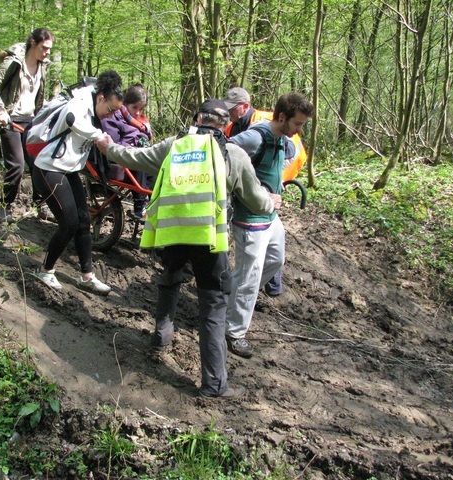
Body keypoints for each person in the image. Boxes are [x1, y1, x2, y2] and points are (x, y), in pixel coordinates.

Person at [96, 99, 281, 398]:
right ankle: (214, 384)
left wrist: (108, 148)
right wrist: (270, 203)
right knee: (213, 305)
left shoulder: (174, 145)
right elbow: (255, 199)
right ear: (224, 125)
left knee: (170, 280)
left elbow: (136, 157)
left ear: (197, 118)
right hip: (209, 239)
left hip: (172, 233)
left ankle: (161, 336)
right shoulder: (232, 153)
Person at [225, 92, 314, 359]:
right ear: (283, 117)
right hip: (249, 217)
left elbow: (285, 157)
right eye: (297, 124)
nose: (299, 130)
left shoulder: (282, 139)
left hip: (270, 217)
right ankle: (233, 332)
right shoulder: (255, 136)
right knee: (249, 278)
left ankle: (229, 294)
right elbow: (225, 153)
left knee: (275, 259)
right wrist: (257, 191)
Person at [30, 70, 124, 295]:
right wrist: (97, 135)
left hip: (68, 169)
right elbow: (72, 120)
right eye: (110, 110)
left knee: (84, 220)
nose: (110, 115)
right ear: (101, 97)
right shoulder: (81, 102)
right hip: (48, 168)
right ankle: (45, 270)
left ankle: (87, 277)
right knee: (69, 222)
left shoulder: (96, 108)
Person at [0, 28, 56, 224]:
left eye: (50, 49)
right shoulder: (14, 63)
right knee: (16, 165)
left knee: (39, 163)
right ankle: (5, 206)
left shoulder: (43, 67)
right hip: (9, 119)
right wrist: (0, 109)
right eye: (44, 48)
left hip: (31, 121)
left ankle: (41, 206)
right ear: (33, 43)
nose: (47, 52)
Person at [100, 83, 154, 219]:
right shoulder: (112, 115)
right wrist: (135, 147)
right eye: (134, 108)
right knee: (140, 160)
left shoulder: (138, 122)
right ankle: (139, 207)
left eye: (141, 109)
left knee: (157, 168)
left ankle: (155, 204)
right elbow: (113, 143)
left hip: (135, 152)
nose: (137, 113)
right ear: (125, 103)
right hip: (118, 154)